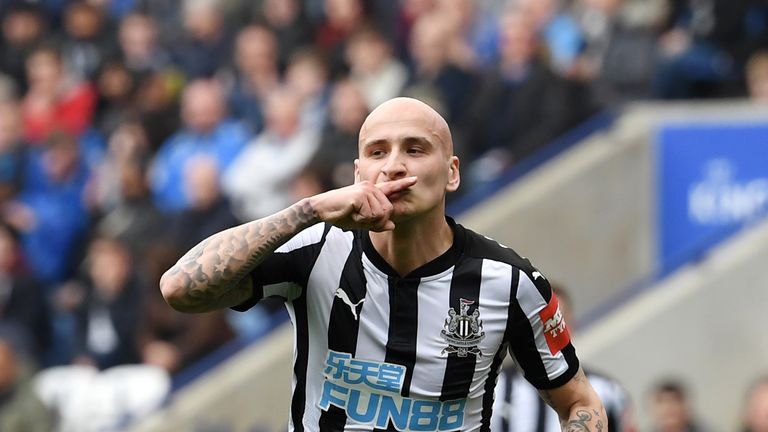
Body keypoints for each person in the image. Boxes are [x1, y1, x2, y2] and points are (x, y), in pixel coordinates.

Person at [160, 97, 606, 431]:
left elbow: (580, 402)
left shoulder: (509, 282)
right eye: (377, 152)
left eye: (415, 149)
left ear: (452, 172)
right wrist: (307, 209)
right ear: (358, 174)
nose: (393, 166)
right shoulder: (315, 248)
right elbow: (179, 288)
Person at [492, 284, 636, 432]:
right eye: (538, 324)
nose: (547, 332)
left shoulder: (607, 390)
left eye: (556, 322)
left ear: (571, 324)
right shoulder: (494, 387)